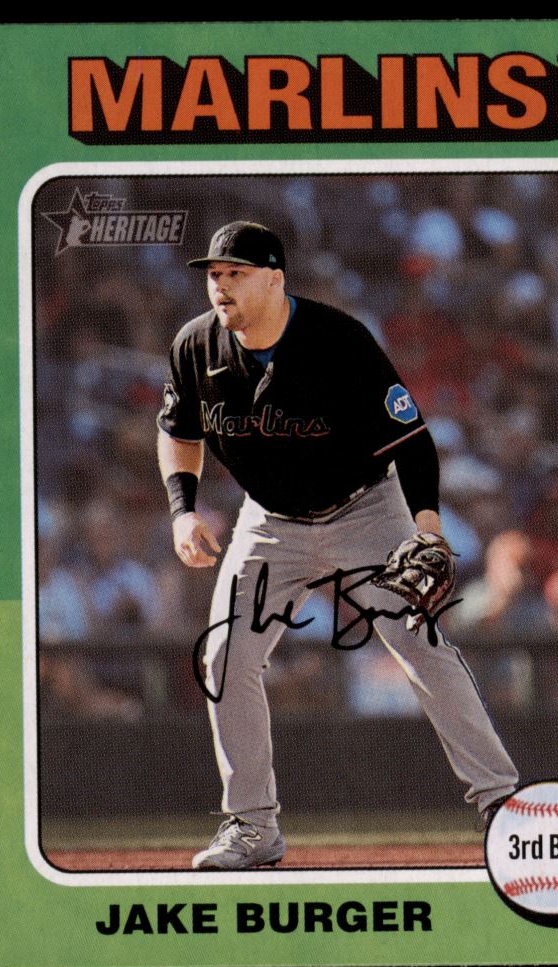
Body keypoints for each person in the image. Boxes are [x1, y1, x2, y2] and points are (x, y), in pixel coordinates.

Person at [157, 221, 518, 871]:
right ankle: (252, 827)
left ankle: (501, 803)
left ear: (274, 279)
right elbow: (179, 430)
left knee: (420, 643)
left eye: (235, 273)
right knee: (224, 657)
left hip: (364, 510)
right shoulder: (195, 345)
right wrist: (183, 511)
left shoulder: (338, 339)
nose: (220, 285)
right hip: (269, 521)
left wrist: (428, 528)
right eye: (213, 274)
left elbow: (410, 440)